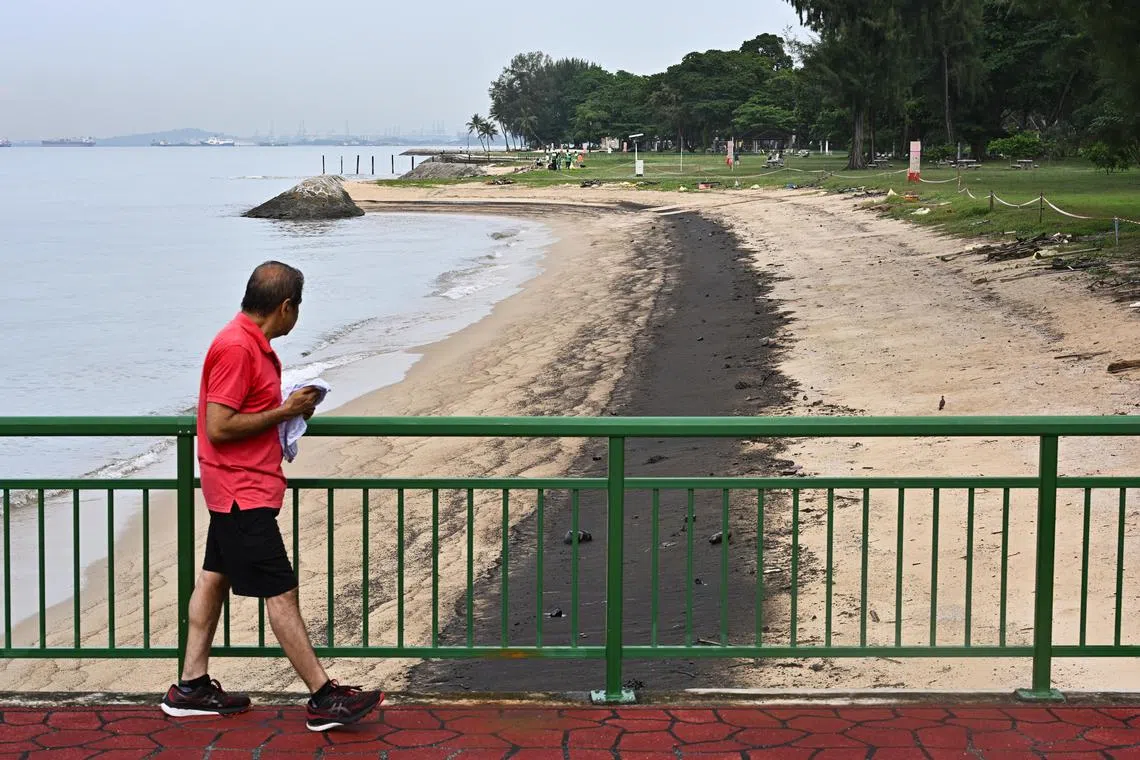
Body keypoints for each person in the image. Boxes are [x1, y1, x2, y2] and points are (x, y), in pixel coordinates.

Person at [161, 261, 384, 732]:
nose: (295, 318)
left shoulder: (246, 342)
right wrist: (286, 409)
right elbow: (219, 426)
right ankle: (324, 697)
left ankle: (191, 686)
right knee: (281, 593)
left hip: (234, 488)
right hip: (242, 491)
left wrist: (284, 407)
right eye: (296, 309)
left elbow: (236, 411)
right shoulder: (238, 346)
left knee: (213, 580)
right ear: (286, 307)